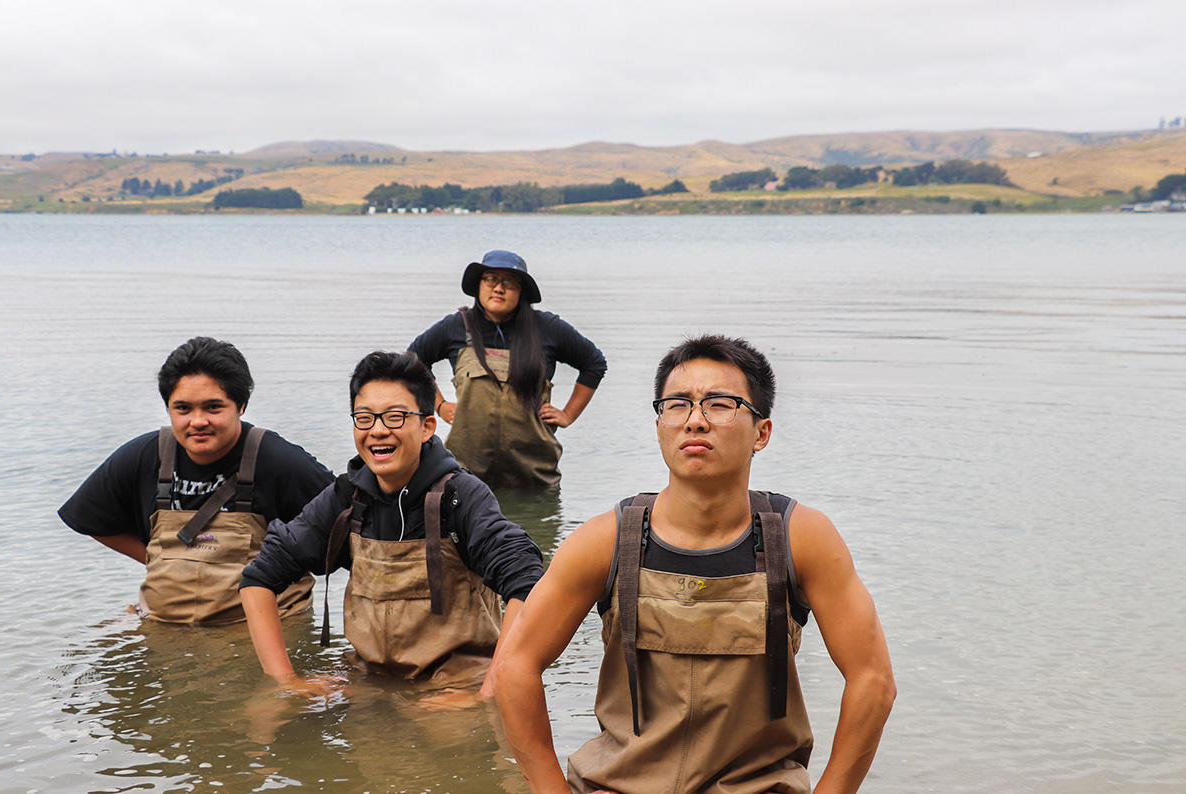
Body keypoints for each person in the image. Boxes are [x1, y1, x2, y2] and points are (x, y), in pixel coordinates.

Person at [493, 335, 896, 793]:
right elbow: (516, 666)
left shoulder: (800, 537)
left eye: (720, 404)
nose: (695, 421)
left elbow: (873, 678)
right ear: (659, 423)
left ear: (761, 432)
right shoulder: (606, 539)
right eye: (677, 405)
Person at [239, 351, 545, 695]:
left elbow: (528, 581)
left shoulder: (460, 496)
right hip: (368, 677)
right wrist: (286, 682)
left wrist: (487, 693)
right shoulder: (347, 498)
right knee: (267, 717)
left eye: (396, 417)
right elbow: (258, 578)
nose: (378, 431)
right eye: (364, 418)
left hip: (456, 684)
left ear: (427, 426)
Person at [58, 336, 333, 625]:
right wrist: (161, 560)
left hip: (264, 626)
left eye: (213, 407)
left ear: (240, 405)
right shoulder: (143, 456)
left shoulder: (281, 461)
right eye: (183, 409)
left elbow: (342, 530)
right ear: (168, 409)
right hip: (165, 623)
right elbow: (91, 521)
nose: (198, 421)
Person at [408, 249, 606, 488]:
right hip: (466, 478)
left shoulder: (547, 328)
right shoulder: (457, 326)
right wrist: (439, 405)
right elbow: (413, 360)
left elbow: (594, 364)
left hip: (534, 478)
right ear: (479, 285)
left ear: (521, 291)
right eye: (490, 279)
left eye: (509, 282)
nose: (498, 288)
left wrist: (568, 415)